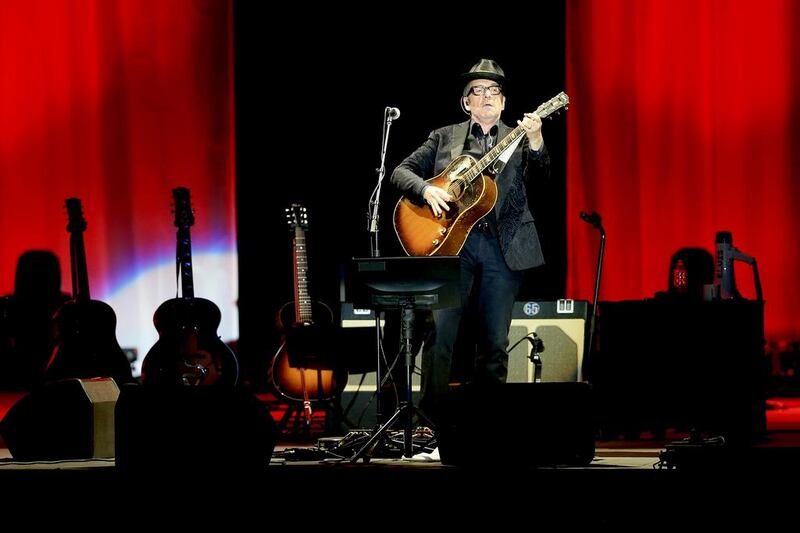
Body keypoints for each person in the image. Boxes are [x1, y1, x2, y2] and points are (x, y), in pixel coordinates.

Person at [390, 58, 551, 426]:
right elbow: (401, 172)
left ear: (505, 102)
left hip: (502, 246)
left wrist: (537, 140)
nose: (486, 96)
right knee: (440, 337)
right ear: (466, 102)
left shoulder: (521, 138)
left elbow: (543, 181)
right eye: (477, 90)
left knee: (494, 342)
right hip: (450, 245)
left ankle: (486, 427)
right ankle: (431, 425)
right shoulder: (444, 137)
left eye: (494, 90)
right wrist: (427, 189)